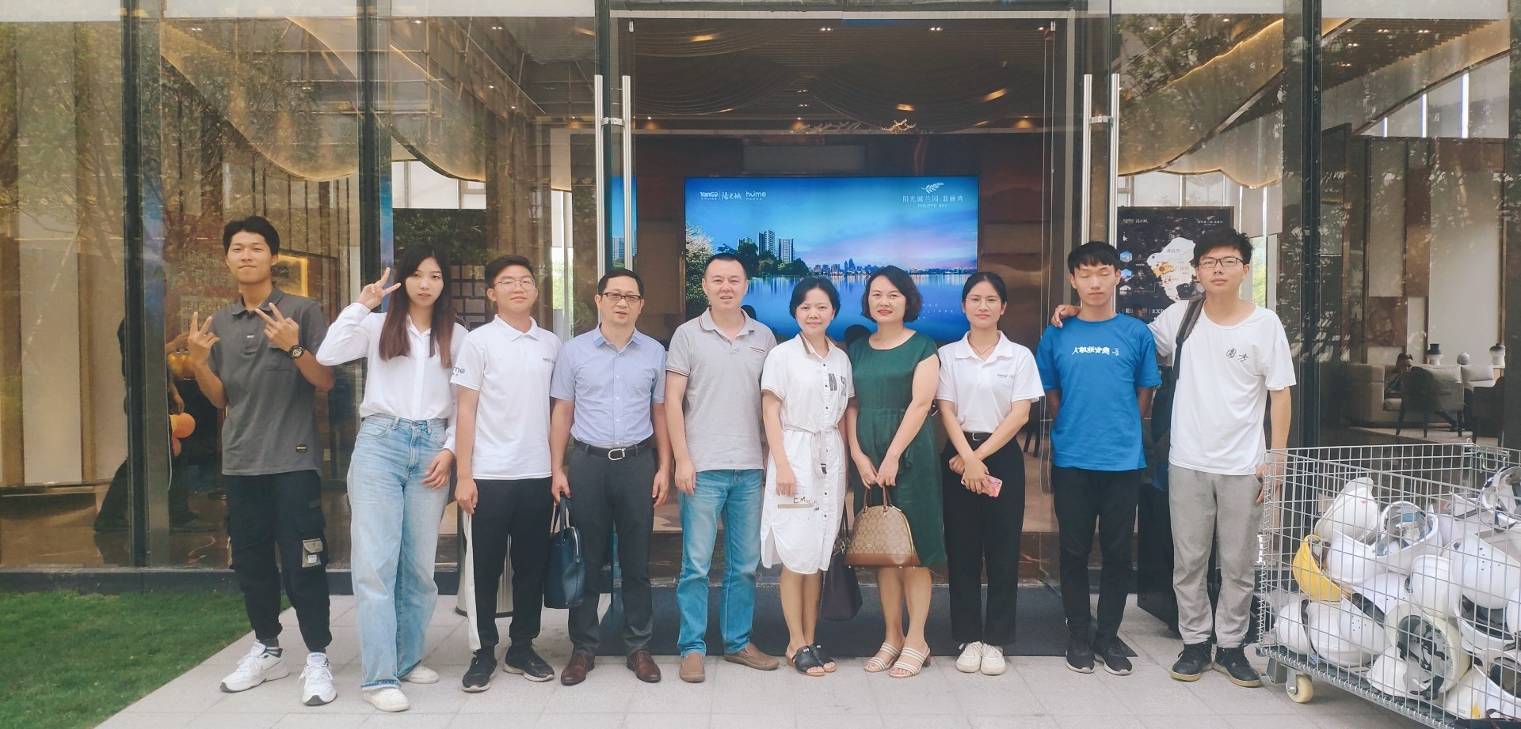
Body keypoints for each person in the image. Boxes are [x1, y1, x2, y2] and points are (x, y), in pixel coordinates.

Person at [1055, 230, 1293, 686]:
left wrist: (1276, 457)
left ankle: (1231, 646)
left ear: (1245, 269)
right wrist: (1076, 313)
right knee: (1189, 561)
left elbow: (1280, 393)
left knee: (1239, 563)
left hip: (1245, 463)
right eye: (1209, 262)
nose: (1218, 270)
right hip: (1186, 459)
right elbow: (1124, 342)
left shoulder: (1265, 325)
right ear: (1197, 270)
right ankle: (1195, 642)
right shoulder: (1180, 317)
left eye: (1228, 261)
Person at [186, 215, 338, 706]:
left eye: (256, 247)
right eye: (238, 248)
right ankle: (268, 648)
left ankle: (317, 656)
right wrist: (197, 362)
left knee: (304, 561)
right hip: (241, 461)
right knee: (251, 562)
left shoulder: (302, 310)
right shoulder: (219, 323)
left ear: (273, 257)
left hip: (293, 459)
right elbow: (220, 398)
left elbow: (325, 380)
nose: (247, 255)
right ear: (227, 259)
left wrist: (292, 346)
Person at [314, 247, 464, 711]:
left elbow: (464, 403)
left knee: (419, 568)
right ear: (403, 281)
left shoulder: (457, 335)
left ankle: (406, 659)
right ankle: (378, 677)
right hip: (381, 444)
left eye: (434, 275)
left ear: (444, 283)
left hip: (432, 449)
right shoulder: (378, 326)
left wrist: (450, 449)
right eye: (416, 275)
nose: (425, 283)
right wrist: (362, 305)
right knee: (376, 565)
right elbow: (327, 352)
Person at [1035, 241, 1160, 677]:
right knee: (1072, 550)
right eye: (1085, 274)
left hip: (1122, 460)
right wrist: (1071, 423)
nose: (1094, 282)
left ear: (1117, 277)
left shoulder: (1136, 333)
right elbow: (1051, 391)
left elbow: (1145, 391)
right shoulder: (1057, 333)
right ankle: (1078, 633)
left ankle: (1108, 636)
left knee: (1117, 552)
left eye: (1103, 272)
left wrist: (1123, 426)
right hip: (1072, 458)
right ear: (1073, 280)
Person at [550, 268, 671, 686]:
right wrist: (557, 468)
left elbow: (660, 413)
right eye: (614, 295)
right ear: (599, 300)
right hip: (589, 463)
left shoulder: (654, 352)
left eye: (631, 297)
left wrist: (665, 467)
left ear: (641, 305)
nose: (622, 302)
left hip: (637, 463)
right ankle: (583, 648)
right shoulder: (574, 352)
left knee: (636, 561)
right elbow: (562, 411)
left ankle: (639, 646)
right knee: (585, 559)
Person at [666, 253, 780, 684]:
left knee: (745, 565)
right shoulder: (687, 335)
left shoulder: (763, 337)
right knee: (695, 565)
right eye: (717, 280)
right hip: (702, 467)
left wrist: (771, 456)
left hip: (750, 467)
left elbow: (772, 402)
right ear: (705, 286)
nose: (726, 287)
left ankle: (738, 643)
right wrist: (682, 458)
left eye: (734, 280)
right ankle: (692, 647)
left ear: (746, 285)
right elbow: (672, 401)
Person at [451, 255, 562, 691]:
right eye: (508, 282)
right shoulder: (478, 342)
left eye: (526, 281)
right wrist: (464, 474)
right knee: (485, 568)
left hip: (537, 473)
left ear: (536, 290)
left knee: (532, 567)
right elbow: (465, 409)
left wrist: (557, 468)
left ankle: (522, 646)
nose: (519, 287)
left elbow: (559, 411)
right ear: (491, 293)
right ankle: (482, 651)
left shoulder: (551, 344)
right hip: (489, 475)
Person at [937, 272, 1044, 677]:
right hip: (957, 454)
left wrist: (977, 458)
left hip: (1000, 456)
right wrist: (966, 457)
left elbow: (1020, 414)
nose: (983, 306)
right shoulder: (948, 355)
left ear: (1003, 307)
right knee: (961, 549)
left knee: (1003, 549)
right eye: (975, 299)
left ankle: (996, 639)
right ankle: (968, 637)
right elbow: (946, 410)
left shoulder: (1019, 357)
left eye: (991, 300)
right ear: (964, 306)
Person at [845, 265, 944, 679]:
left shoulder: (923, 346)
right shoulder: (857, 349)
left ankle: (917, 639)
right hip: (867, 458)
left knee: (914, 552)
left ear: (908, 300)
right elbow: (850, 405)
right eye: (876, 294)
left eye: (893, 295)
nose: (883, 302)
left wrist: (892, 456)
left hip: (910, 455)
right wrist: (857, 454)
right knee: (884, 551)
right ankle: (892, 636)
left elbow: (921, 405)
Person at [759, 277, 852, 677]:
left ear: (833, 311)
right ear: (795, 311)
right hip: (794, 459)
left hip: (830, 458)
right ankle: (795, 641)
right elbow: (770, 411)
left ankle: (811, 639)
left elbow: (844, 414)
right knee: (796, 552)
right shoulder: (781, 356)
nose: (814, 314)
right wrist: (782, 464)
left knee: (818, 555)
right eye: (805, 307)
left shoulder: (841, 359)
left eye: (822, 307)